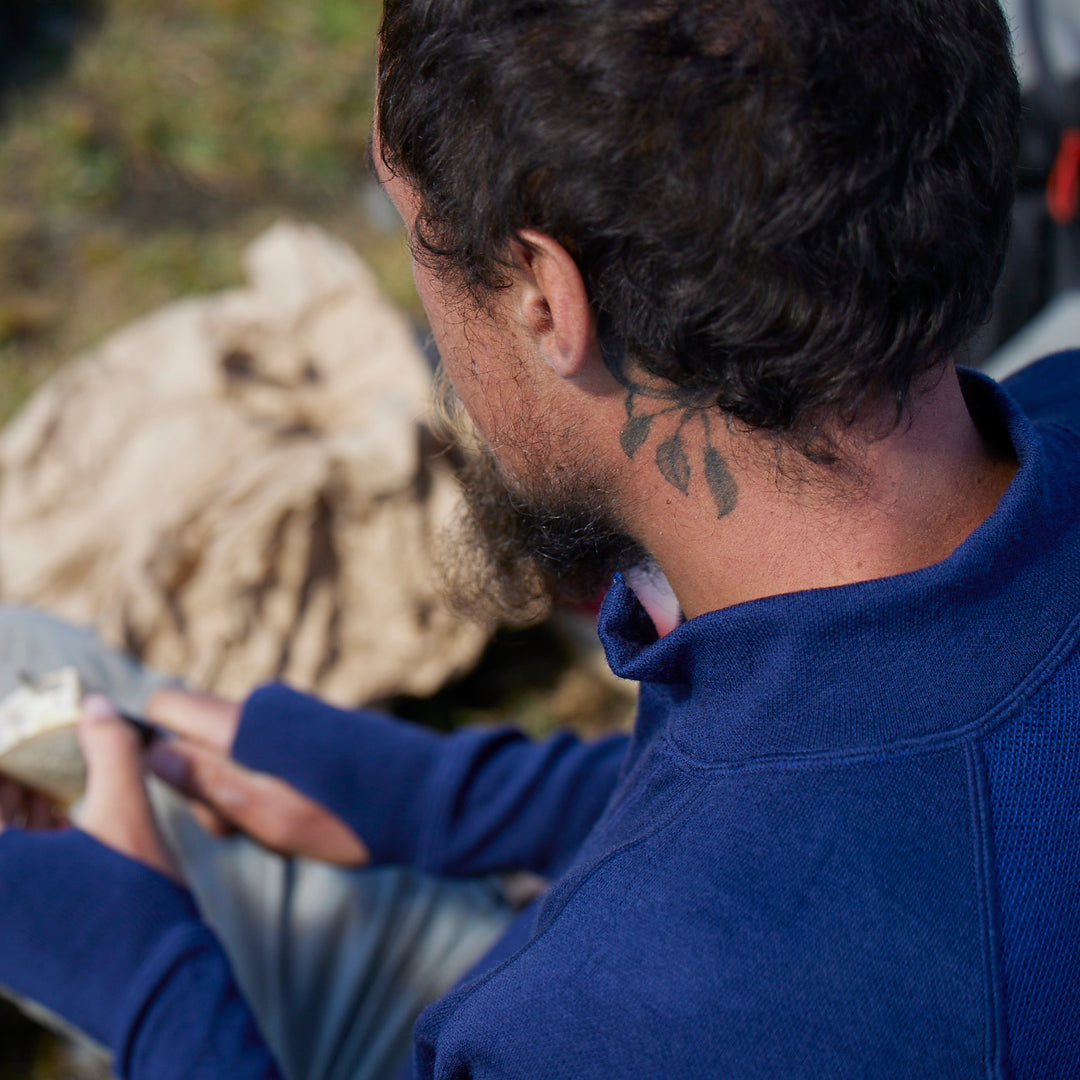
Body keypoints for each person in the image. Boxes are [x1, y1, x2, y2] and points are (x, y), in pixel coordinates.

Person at [1, 0, 1076, 1077]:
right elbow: (856, 818)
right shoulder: (1054, 414)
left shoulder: (587, 1025)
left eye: (418, 232)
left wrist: (138, 974)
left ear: (548, 300)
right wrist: (438, 802)